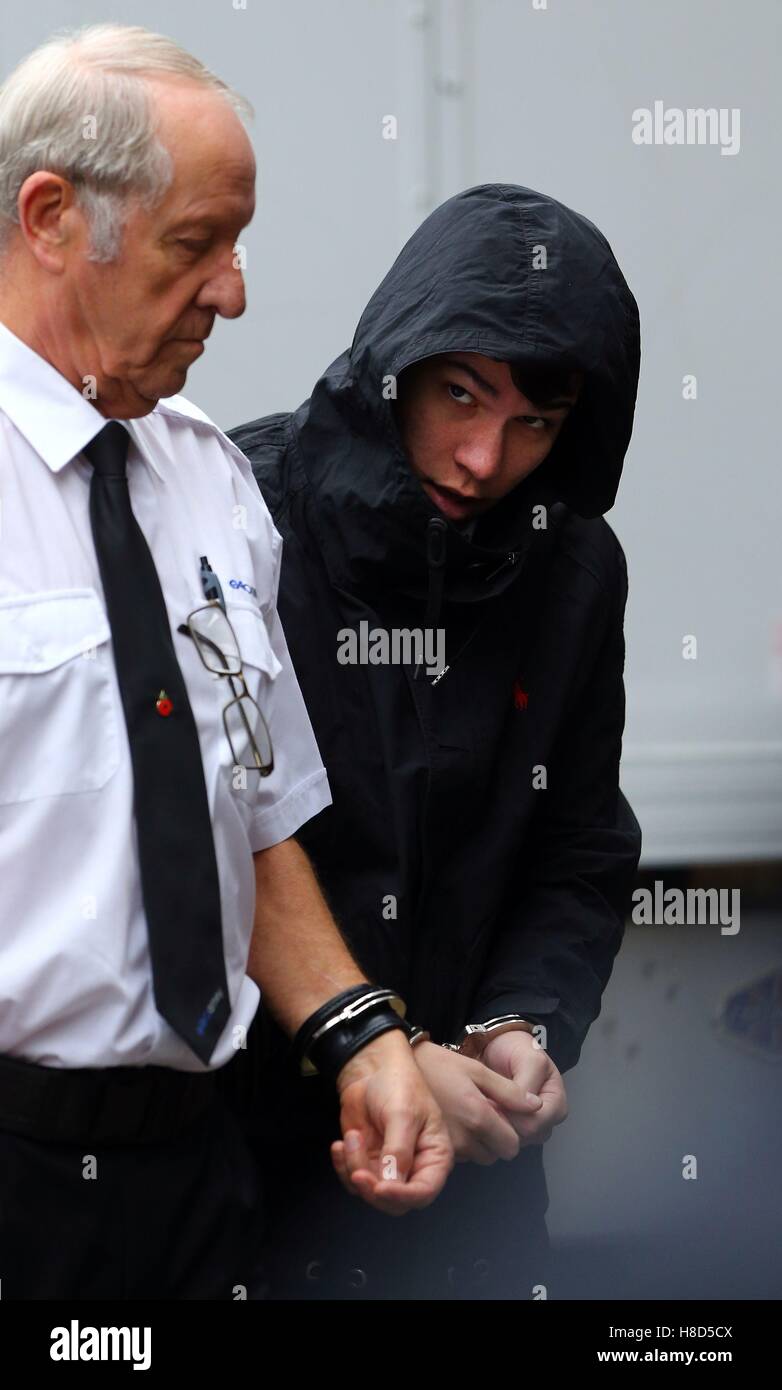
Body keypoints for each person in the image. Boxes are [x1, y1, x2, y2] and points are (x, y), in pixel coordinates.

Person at [0, 24, 452, 1301]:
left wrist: (361, 1037)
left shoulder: (207, 478)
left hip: (197, 1174)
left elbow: (244, 811)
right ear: (49, 217)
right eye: (194, 243)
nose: (233, 291)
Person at [226, 182, 643, 1299]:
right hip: (244, 1178)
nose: (478, 456)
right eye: (459, 395)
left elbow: (578, 848)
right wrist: (377, 1055)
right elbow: (198, 859)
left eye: (531, 424)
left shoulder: (571, 569)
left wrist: (522, 1023)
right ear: (393, 367)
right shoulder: (236, 519)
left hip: (477, 1188)